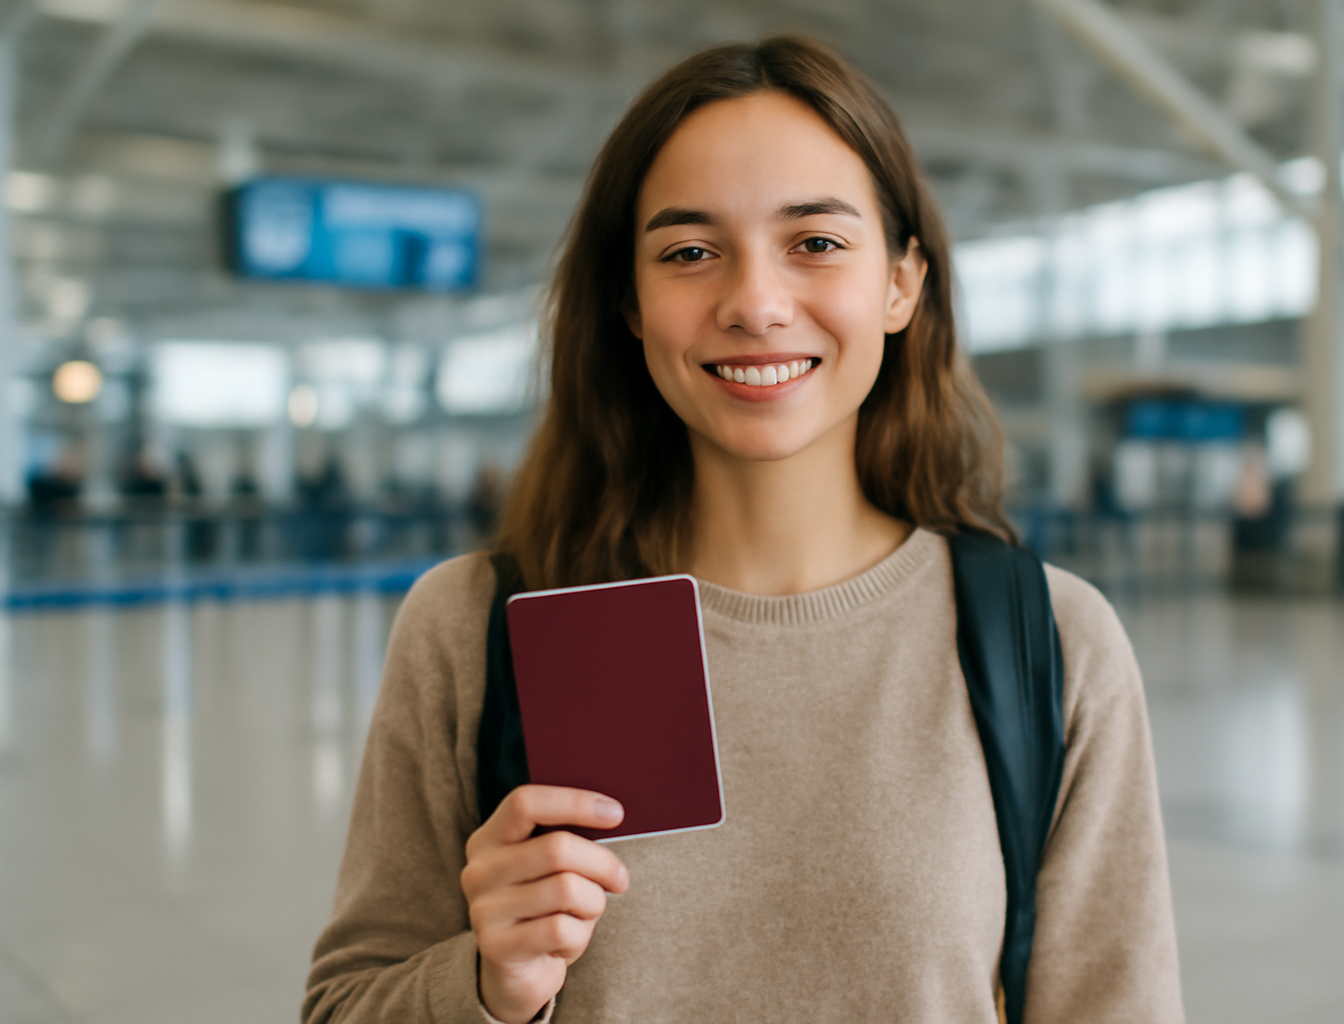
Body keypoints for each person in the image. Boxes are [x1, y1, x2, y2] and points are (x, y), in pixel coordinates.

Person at [306, 37, 1181, 1024]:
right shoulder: (478, 626)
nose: (756, 304)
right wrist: (484, 984)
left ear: (902, 284)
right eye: (689, 253)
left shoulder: (1049, 642)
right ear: (629, 304)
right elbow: (345, 1004)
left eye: (815, 243)